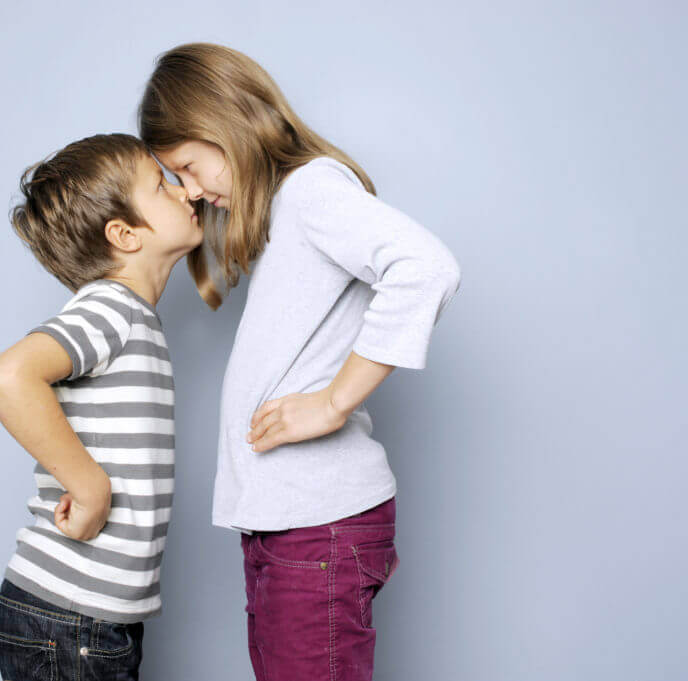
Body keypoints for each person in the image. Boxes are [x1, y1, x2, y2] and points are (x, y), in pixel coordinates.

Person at [139, 44, 463, 681]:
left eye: (189, 167)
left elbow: (427, 267)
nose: (193, 192)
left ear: (224, 124)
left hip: (318, 524)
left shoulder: (311, 191)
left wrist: (334, 403)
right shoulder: (288, 209)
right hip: (291, 524)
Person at [0, 133, 202, 681]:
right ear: (125, 235)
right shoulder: (111, 308)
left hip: (88, 619)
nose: (184, 191)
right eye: (162, 185)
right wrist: (89, 488)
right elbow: (8, 377)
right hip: (70, 617)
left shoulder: (131, 315)